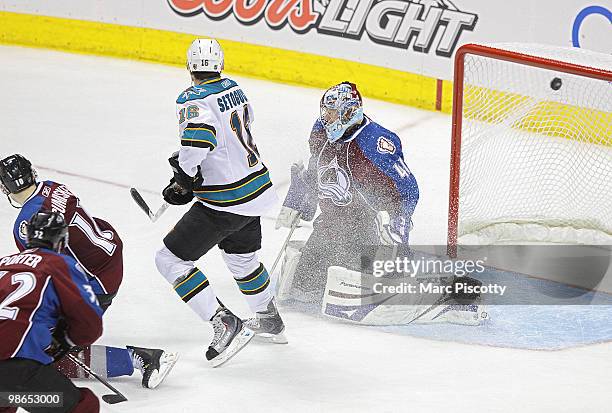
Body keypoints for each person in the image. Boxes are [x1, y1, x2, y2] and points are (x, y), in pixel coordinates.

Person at [154, 38, 286, 367]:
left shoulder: (191, 97)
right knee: (243, 261)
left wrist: (184, 178)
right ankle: (268, 318)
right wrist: (189, 173)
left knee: (169, 261)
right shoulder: (235, 88)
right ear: (220, 65)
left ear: (190, 68)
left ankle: (223, 322)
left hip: (226, 201)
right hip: (255, 193)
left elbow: (200, 138)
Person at [0, 154, 177, 389]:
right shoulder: (54, 187)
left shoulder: (25, 225)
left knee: (41, 351)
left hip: (95, 278)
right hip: (108, 251)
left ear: (5, 188)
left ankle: (141, 358)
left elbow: (42, 272)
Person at [275, 82, 420, 303]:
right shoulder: (320, 131)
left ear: (350, 111)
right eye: (326, 112)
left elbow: (408, 189)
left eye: (333, 113)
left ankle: (401, 275)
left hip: (365, 227)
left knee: (350, 289)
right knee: (303, 288)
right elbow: (318, 169)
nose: (327, 119)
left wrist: (399, 221)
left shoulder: (375, 142)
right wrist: (301, 199)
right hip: (330, 222)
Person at [0, 211, 103, 413]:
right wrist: (65, 340)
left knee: (6, 398)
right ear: (61, 240)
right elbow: (90, 326)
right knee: (81, 407)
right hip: (17, 373)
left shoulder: (2, 263)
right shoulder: (59, 264)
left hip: (9, 384)